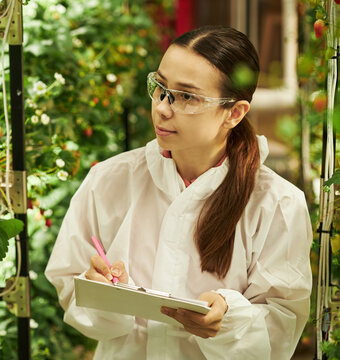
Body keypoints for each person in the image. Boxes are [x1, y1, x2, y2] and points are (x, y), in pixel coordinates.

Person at [44, 25, 312, 360]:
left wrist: (228, 320)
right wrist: (97, 289)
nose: (163, 107)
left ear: (234, 113)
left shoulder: (278, 204)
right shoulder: (109, 180)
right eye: (160, 87)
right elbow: (69, 286)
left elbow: (282, 326)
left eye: (187, 96)